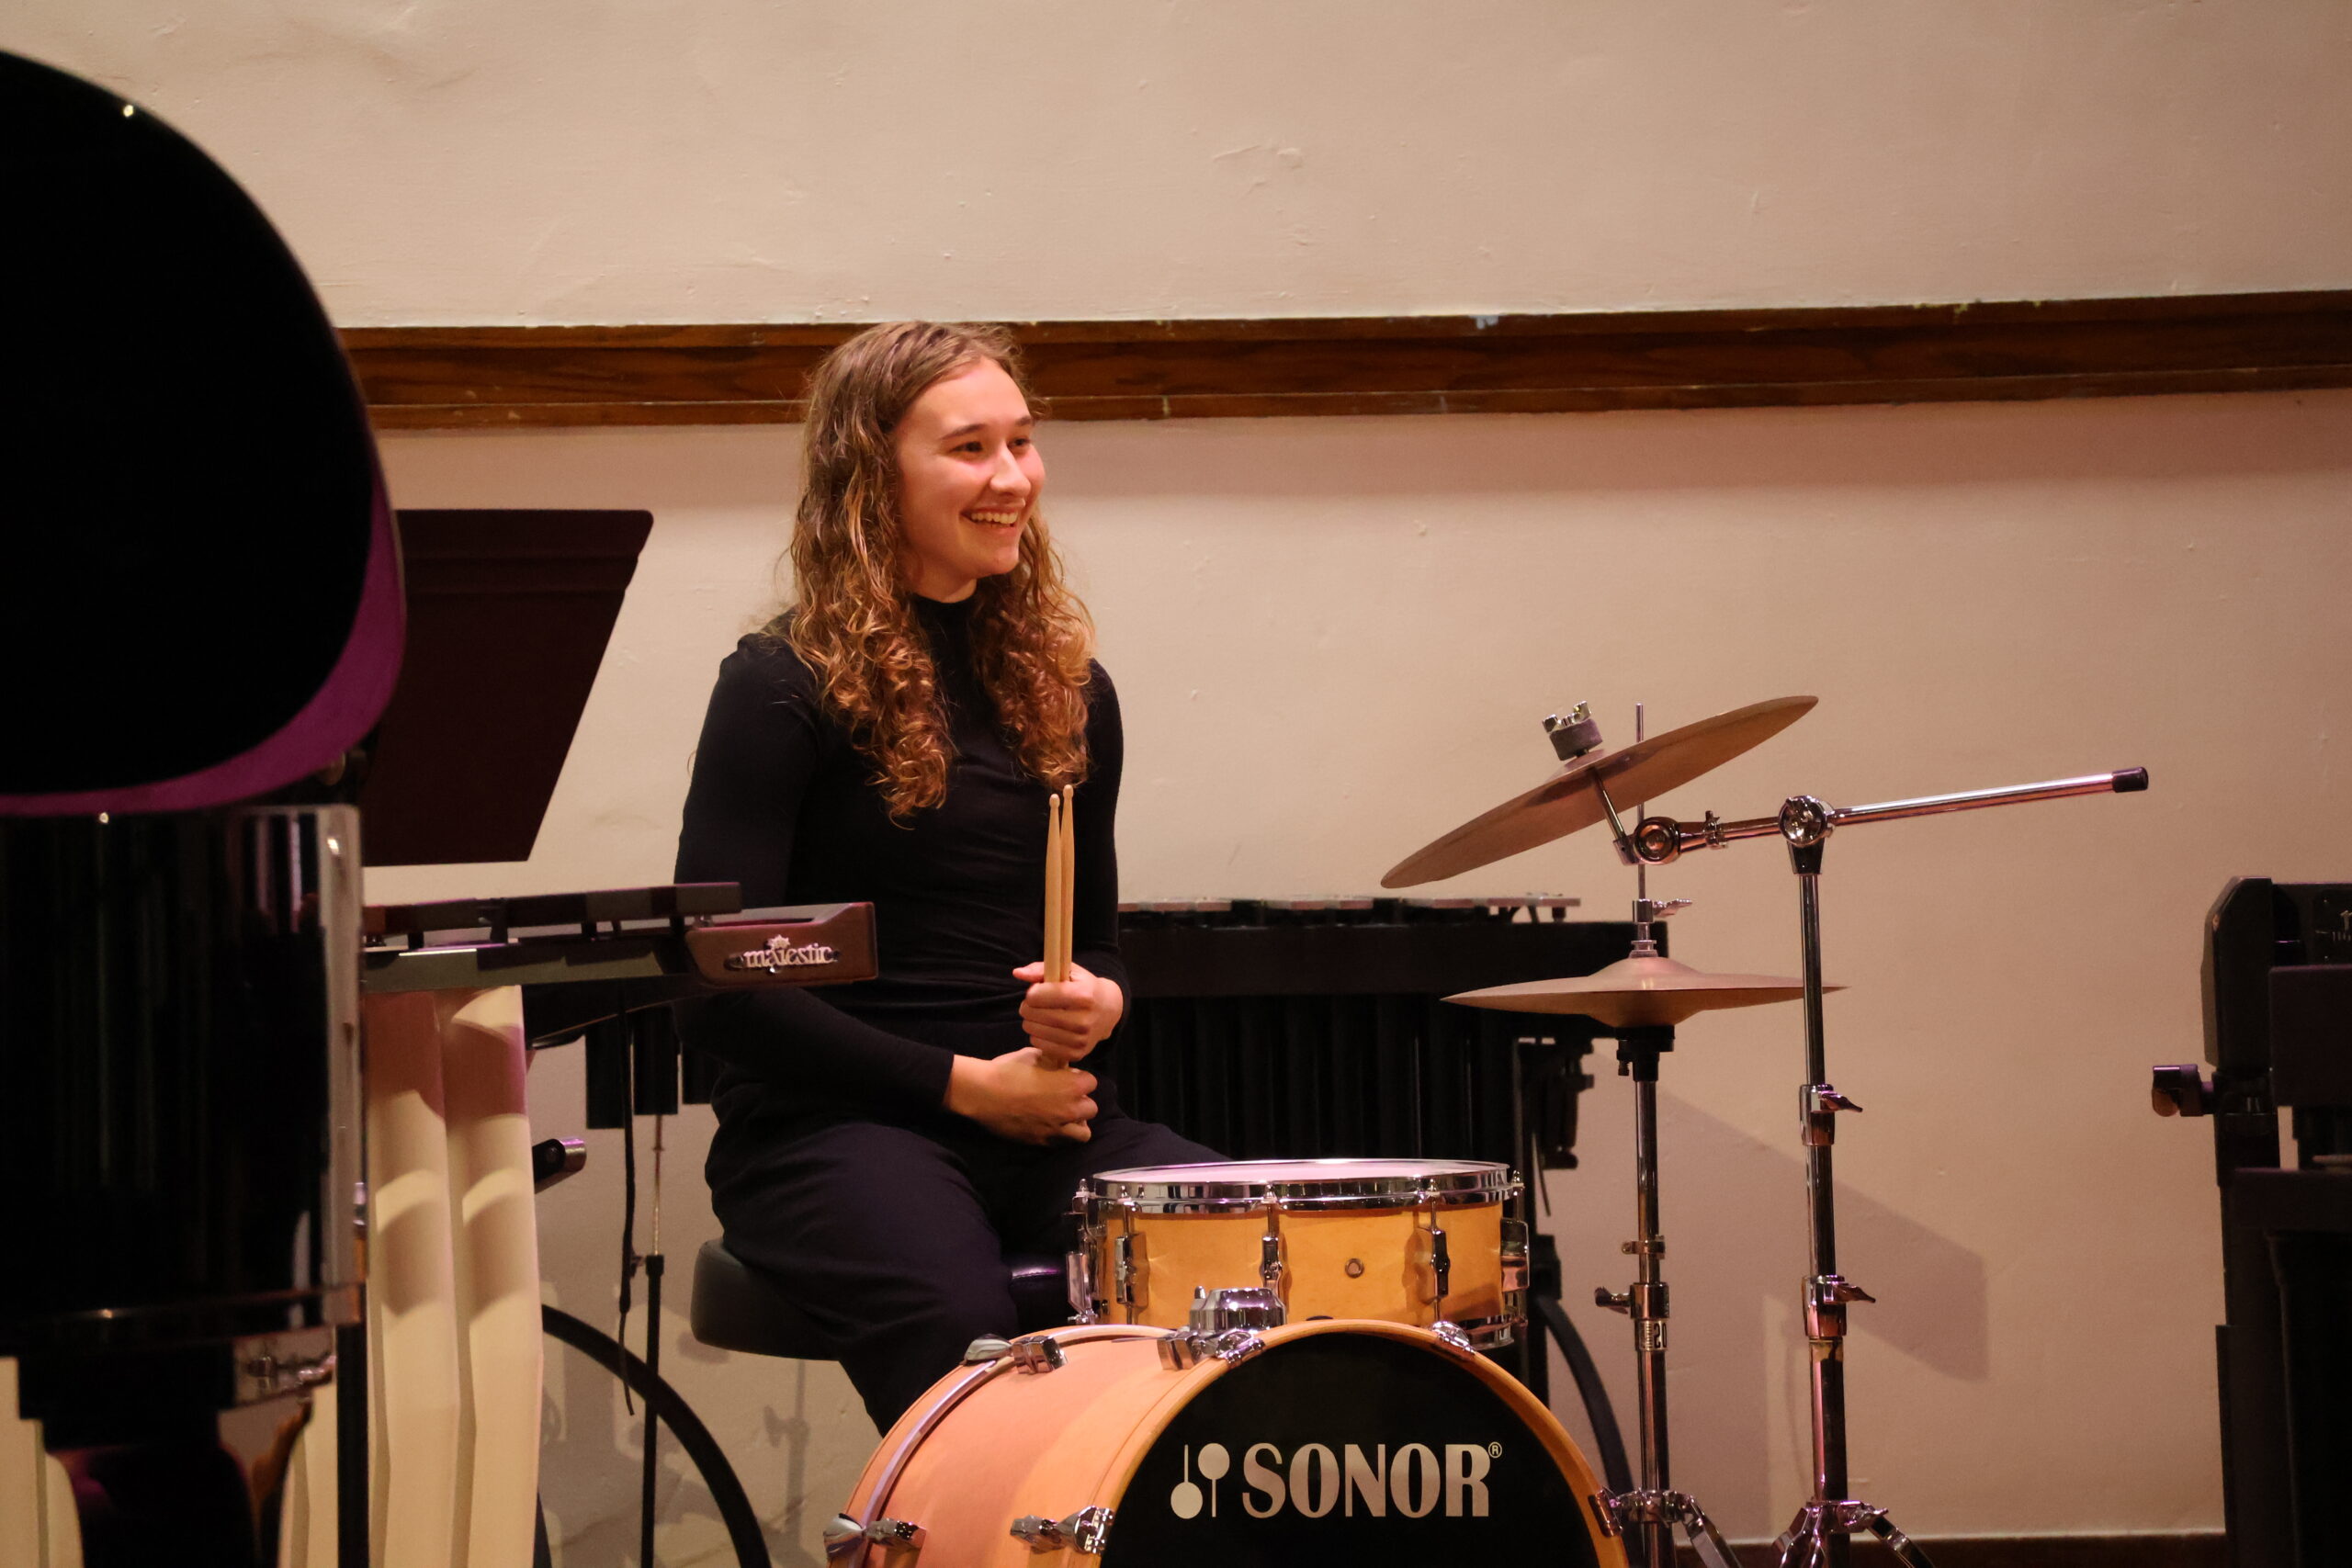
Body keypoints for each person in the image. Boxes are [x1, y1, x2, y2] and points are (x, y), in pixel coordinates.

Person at [673, 321, 1216, 1429]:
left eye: (1021, 441)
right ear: (872, 478)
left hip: (1044, 1122)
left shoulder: (1070, 691)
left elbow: (1098, 943)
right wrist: (967, 1087)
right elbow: (714, 988)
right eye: (970, 449)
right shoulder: (781, 684)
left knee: (1251, 1258)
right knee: (969, 1340)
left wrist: (1099, 1000)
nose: (1011, 477)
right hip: (829, 1132)